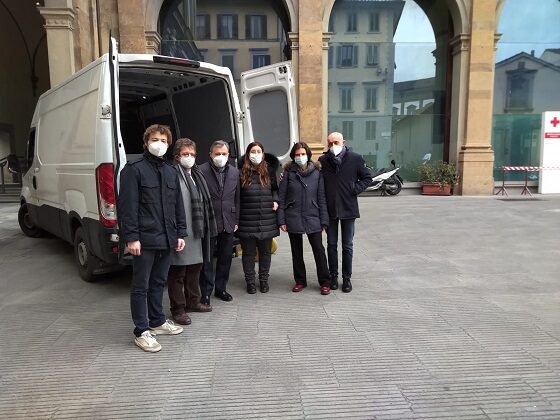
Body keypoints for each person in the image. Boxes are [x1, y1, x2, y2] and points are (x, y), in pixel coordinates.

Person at [118, 124, 186, 353]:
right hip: (144, 239)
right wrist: (132, 238)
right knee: (141, 285)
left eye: (164, 141)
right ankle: (141, 330)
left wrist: (180, 233)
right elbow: (128, 207)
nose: (160, 144)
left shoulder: (170, 171)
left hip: (167, 237)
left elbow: (178, 205)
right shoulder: (133, 169)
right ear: (146, 142)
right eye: (155, 139)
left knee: (159, 281)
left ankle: (157, 321)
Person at [167, 138, 217, 326]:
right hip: (181, 231)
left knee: (196, 268)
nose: (189, 158)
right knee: (178, 271)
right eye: (185, 154)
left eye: (193, 154)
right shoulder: (172, 174)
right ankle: (178, 309)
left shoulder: (197, 174)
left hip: (198, 230)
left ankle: (193, 301)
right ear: (177, 156)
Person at [318, 132, 373, 293]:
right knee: (331, 245)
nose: (333, 145)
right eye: (330, 143)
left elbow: (367, 178)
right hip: (330, 210)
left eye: (336, 142)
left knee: (347, 245)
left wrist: (354, 189)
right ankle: (333, 277)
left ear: (343, 142)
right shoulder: (323, 161)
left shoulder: (355, 158)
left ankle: (347, 278)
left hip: (348, 209)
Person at [278, 142, 331, 295]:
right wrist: (281, 220)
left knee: (319, 250)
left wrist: (324, 221)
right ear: (293, 157)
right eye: (297, 154)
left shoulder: (317, 173)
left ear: (308, 155)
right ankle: (300, 281)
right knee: (296, 251)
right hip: (293, 215)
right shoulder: (288, 173)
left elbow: (321, 198)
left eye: (303, 154)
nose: (300, 157)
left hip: (313, 216)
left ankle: (325, 282)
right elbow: (282, 197)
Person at [198, 140, 240, 303]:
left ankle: (221, 289)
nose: (220, 157)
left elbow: (237, 199)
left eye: (224, 154)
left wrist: (236, 219)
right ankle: (206, 292)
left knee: (225, 257)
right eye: (217, 154)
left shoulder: (235, 172)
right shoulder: (201, 170)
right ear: (210, 154)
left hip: (228, 220)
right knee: (207, 258)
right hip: (209, 221)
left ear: (228, 155)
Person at [237, 141, 279, 294]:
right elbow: (237, 196)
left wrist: (275, 200)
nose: (256, 154)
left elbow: (275, 190)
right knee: (248, 253)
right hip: (247, 219)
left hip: (267, 219)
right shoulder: (241, 172)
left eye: (258, 151)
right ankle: (250, 282)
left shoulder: (269, 171)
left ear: (263, 153)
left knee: (266, 252)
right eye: (252, 151)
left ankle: (263, 280)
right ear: (248, 154)